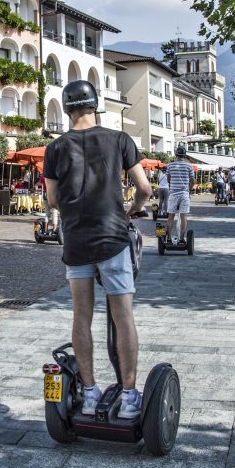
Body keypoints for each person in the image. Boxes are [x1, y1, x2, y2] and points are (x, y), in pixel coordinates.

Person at [43, 80, 151, 419]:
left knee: (81, 317)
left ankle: (89, 395)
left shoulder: (56, 147)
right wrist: (131, 209)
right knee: (123, 316)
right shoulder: (120, 140)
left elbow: (51, 199)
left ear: (66, 108)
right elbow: (145, 189)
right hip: (113, 237)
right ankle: (130, 396)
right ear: (96, 105)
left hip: (76, 240)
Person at [165, 145, 196, 242]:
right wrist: (189, 189)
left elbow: (168, 179)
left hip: (173, 193)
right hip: (184, 193)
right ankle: (182, 238)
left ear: (176, 154)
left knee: (171, 216)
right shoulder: (188, 166)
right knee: (183, 217)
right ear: (184, 155)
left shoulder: (170, 165)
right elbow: (193, 180)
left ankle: (169, 238)